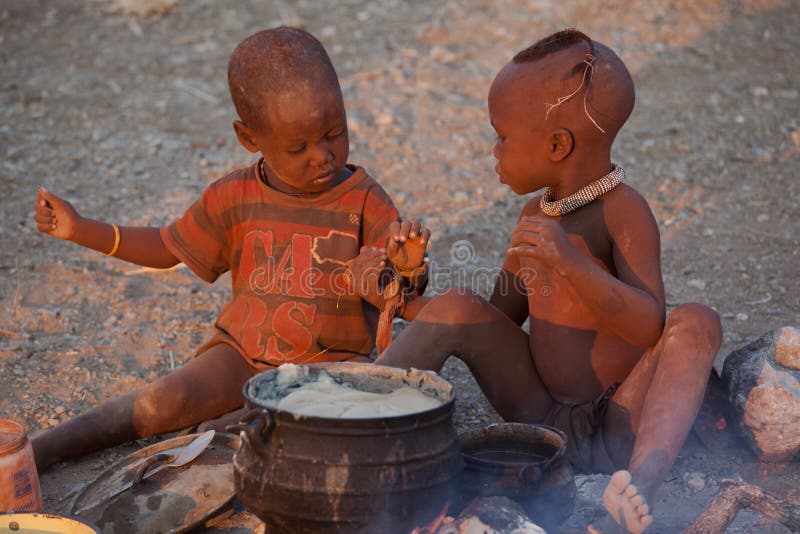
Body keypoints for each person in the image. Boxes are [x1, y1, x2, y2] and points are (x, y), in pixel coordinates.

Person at [30, 26, 428, 472]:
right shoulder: (234, 196)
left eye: (334, 133)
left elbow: (392, 292)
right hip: (241, 355)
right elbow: (166, 246)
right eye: (298, 147)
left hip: (329, 371)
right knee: (164, 402)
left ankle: (224, 428)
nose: (323, 155)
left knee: (253, 431)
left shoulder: (365, 200)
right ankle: (37, 451)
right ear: (250, 138)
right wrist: (81, 229)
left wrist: (404, 269)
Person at [375, 29, 722, 534]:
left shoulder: (622, 211)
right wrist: (403, 294)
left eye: (503, 137)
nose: (494, 150)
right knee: (457, 304)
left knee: (697, 321)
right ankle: (348, 414)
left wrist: (569, 263)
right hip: (538, 414)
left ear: (558, 145)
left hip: (617, 423)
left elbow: (651, 325)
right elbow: (496, 317)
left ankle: (641, 483)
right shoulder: (535, 214)